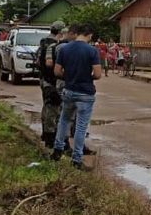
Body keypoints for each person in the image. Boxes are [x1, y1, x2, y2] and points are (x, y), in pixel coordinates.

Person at [51, 24, 102, 171]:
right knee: (80, 126)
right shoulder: (92, 50)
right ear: (89, 35)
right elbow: (98, 74)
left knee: (64, 120)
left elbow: (57, 71)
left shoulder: (64, 48)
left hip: (69, 90)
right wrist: (87, 77)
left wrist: (69, 77)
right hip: (85, 92)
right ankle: (77, 159)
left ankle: (57, 150)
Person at [36, 21, 64, 148]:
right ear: (60, 32)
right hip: (52, 80)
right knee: (53, 108)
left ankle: (44, 133)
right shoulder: (54, 45)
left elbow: (37, 60)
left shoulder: (42, 42)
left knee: (46, 105)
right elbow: (50, 64)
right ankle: (50, 137)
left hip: (43, 79)